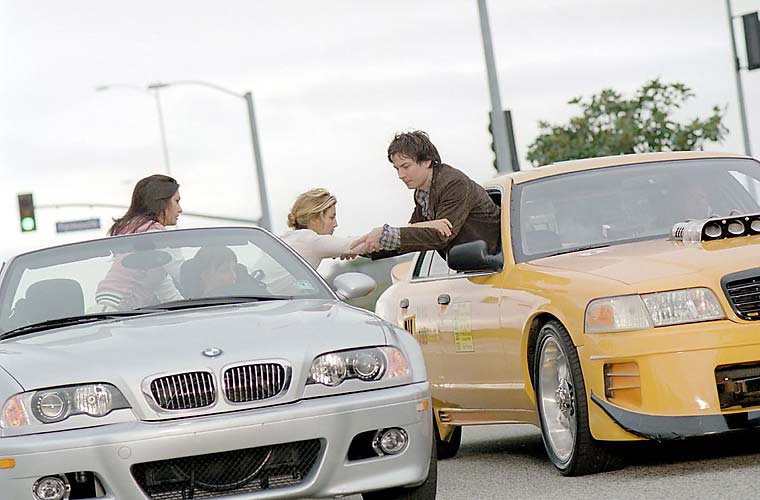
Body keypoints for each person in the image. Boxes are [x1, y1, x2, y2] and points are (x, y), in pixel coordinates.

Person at [352, 130, 501, 260]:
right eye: (397, 169)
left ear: (427, 161)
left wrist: (384, 234)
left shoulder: (455, 184)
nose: (401, 175)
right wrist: (359, 246)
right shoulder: (422, 192)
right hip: (478, 269)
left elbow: (441, 235)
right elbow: (413, 235)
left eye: (406, 167)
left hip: (498, 262)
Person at [282, 188, 453, 270]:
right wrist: (430, 224)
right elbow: (372, 241)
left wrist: (347, 246)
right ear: (313, 219)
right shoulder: (313, 242)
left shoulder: (290, 239)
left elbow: (352, 242)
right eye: (331, 217)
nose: (336, 224)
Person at [95, 174, 183, 311]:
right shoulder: (156, 235)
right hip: (117, 307)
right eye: (176, 201)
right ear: (162, 202)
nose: (180, 209)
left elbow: (165, 288)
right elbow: (182, 275)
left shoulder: (139, 232)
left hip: (109, 304)